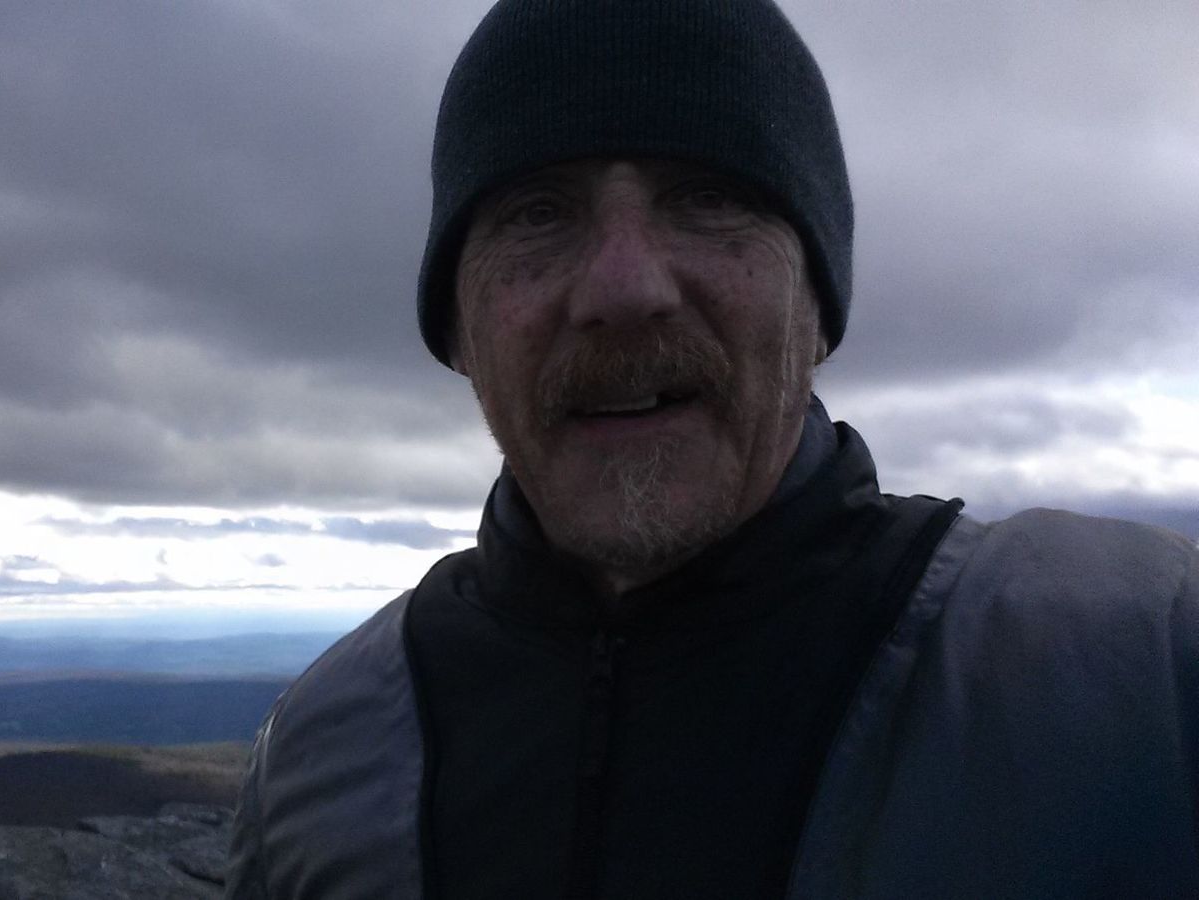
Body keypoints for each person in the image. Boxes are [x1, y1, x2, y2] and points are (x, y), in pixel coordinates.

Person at [224, 1, 1199, 897]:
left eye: (705, 197)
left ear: (818, 307)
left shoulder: (1141, 667)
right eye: (536, 213)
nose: (624, 289)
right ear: (459, 330)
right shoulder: (316, 758)